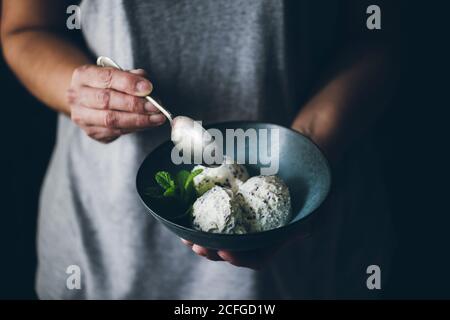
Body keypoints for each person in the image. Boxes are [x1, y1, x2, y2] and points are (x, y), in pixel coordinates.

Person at [1, 0, 398, 299]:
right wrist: (81, 95)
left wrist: (306, 151)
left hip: (310, 232)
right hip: (107, 246)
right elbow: (24, 28)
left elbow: (379, 33)